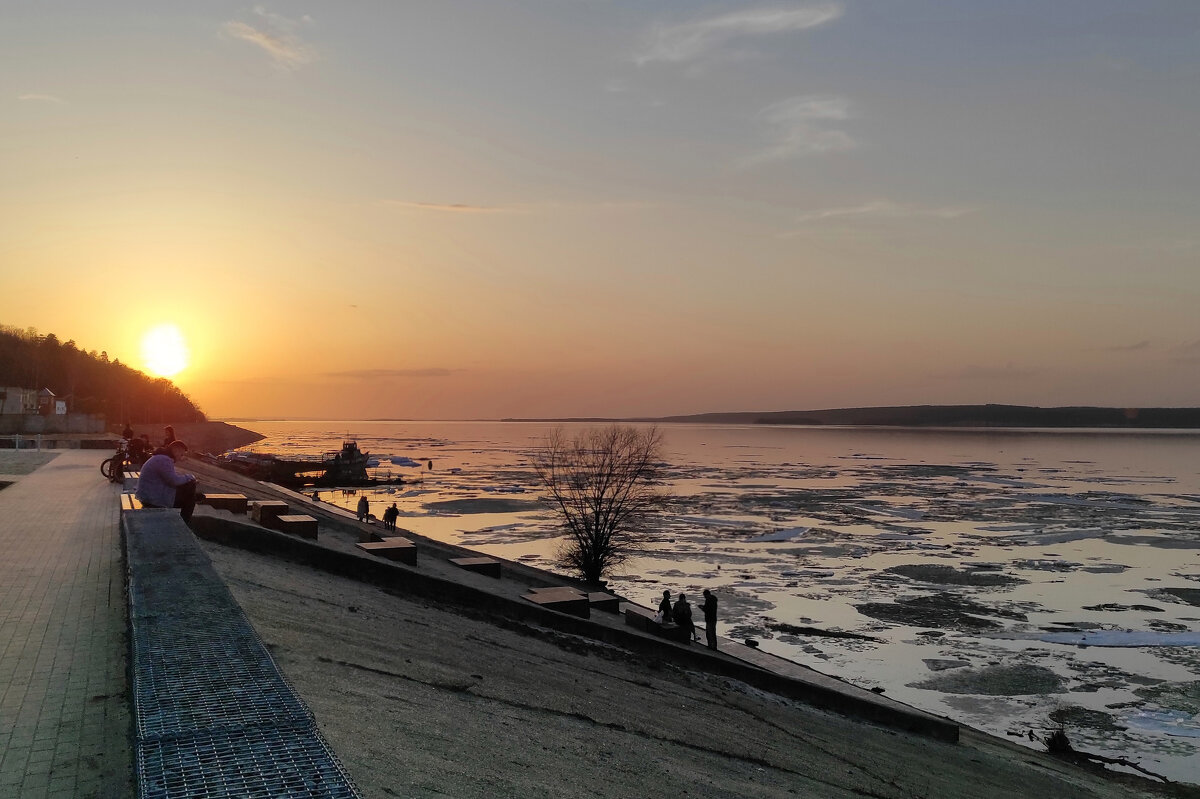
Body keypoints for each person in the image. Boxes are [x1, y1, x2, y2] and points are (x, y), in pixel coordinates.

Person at [135, 439, 200, 522]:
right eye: (181, 454)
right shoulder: (164, 460)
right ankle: (185, 523)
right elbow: (173, 481)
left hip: (149, 494)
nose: (180, 458)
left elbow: (171, 478)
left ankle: (192, 500)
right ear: (175, 450)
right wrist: (190, 477)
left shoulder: (161, 457)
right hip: (151, 499)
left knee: (188, 488)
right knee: (190, 494)